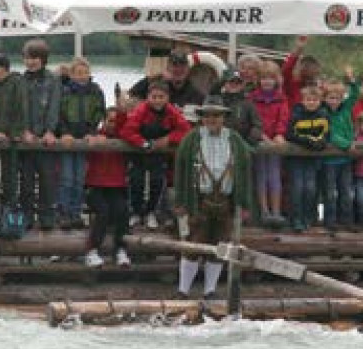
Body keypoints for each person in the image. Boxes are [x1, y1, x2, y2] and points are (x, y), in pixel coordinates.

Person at [172, 96, 255, 299]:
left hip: (225, 202)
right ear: (201, 117)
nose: (212, 119)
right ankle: (183, 291)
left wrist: (243, 203)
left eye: (216, 115)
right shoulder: (191, 139)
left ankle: (210, 291)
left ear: (224, 117)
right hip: (198, 200)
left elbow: (245, 171)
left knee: (219, 247)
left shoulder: (235, 140)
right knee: (192, 245)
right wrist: (180, 202)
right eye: (207, 115)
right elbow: (180, 172)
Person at [120, 81, 192, 229]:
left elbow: (185, 130)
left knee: (157, 182)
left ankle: (151, 212)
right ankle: (136, 212)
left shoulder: (172, 112)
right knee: (136, 181)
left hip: (158, 155)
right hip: (139, 153)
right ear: (148, 97)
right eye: (154, 97)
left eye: (161, 97)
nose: (157, 100)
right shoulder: (141, 110)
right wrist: (143, 143)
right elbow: (127, 131)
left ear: (167, 98)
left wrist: (167, 139)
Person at [17, 39, 63, 230]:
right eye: (28, 58)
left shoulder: (53, 79)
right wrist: (23, 131)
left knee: (47, 181)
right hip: (26, 139)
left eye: (35, 58)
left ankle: (46, 217)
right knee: (26, 182)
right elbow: (18, 109)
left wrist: (51, 131)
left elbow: (55, 106)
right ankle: (27, 215)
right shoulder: (20, 80)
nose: (31, 61)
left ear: (43, 59)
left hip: (46, 139)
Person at [55, 57, 105, 230]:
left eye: (85, 72)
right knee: (67, 178)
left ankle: (76, 214)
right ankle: (64, 213)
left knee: (79, 179)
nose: (82, 76)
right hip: (68, 138)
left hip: (85, 138)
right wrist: (65, 133)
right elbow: (59, 114)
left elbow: (99, 113)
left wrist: (92, 133)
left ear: (89, 73)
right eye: (78, 73)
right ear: (71, 74)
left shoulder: (96, 91)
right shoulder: (65, 90)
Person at [83, 107, 132, 268]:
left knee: (123, 210)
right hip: (95, 186)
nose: (113, 124)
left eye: (115, 121)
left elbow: (125, 124)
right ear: (104, 120)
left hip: (116, 186)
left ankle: (120, 249)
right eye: (110, 120)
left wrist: (123, 106)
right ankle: (92, 251)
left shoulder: (123, 137)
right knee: (103, 211)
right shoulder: (95, 136)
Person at [0, 54, 28, 210]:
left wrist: (12, 133)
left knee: (11, 178)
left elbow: (21, 109)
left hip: (13, 141)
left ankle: (11, 211)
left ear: (1, 69)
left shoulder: (17, 82)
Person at [248, 62, 290, 226]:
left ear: (276, 80)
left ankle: (276, 211)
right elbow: (252, 120)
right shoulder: (252, 98)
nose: (267, 82)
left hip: (275, 141)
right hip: (259, 140)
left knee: (274, 175)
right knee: (261, 175)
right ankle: (264, 211)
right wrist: (262, 136)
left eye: (271, 78)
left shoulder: (281, 98)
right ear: (259, 80)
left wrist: (279, 134)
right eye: (264, 78)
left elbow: (284, 118)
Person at [285, 85, 330, 233]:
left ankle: (308, 217)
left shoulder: (323, 115)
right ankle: (296, 219)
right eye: (308, 100)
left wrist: (321, 142)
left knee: (310, 189)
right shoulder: (296, 115)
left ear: (320, 101)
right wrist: (307, 141)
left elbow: (326, 134)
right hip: (297, 159)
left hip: (312, 160)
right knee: (297, 188)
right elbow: (290, 135)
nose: (311, 102)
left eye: (315, 100)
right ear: (303, 101)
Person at [321, 71, 360, 233]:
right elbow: (330, 135)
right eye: (331, 97)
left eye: (337, 98)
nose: (334, 101)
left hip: (345, 161)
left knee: (346, 192)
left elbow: (355, 95)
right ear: (325, 98)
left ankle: (347, 220)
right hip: (330, 161)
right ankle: (330, 221)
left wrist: (352, 81)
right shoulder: (323, 114)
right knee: (330, 193)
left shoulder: (345, 109)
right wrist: (347, 144)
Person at [128, 49, 206, 108]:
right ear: (168, 67)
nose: (179, 69)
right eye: (175, 65)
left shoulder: (197, 95)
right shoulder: (155, 84)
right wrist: (158, 76)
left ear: (188, 68)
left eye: (182, 65)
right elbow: (130, 94)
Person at [218, 71, 264, 148]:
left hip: (242, 146)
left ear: (242, 85)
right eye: (231, 82)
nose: (234, 85)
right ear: (224, 83)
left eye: (237, 83)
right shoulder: (218, 101)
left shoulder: (248, 104)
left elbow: (257, 125)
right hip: (220, 144)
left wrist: (249, 141)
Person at [281, 35, 323, 108]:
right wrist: (298, 49)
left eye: (315, 72)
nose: (311, 75)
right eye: (307, 69)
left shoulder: (319, 90)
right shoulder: (291, 85)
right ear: (301, 70)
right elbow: (286, 70)